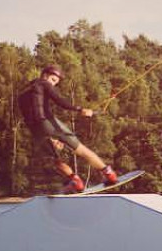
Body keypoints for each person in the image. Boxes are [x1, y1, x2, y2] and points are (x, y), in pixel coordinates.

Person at [19, 64, 118, 193]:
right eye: (53, 80)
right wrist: (80, 109)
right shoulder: (44, 83)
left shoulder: (24, 91)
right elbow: (60, 101)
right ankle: (109, 174)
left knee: (55, 159)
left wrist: (50, 137)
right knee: (81, 149)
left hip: (36, 130)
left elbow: (27, 114)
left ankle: (75, 181)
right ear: (45, 75)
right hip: (48, 122)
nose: (53, 84)